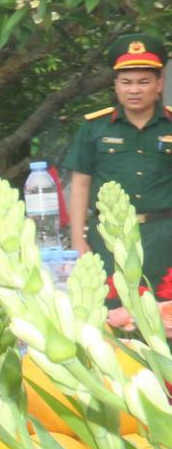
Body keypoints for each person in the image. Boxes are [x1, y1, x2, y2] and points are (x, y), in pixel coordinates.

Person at [66, 33, 172, 297]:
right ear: (115, 86)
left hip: (164, 236)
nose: (134, 90)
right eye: (126, 82)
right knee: (111, 311)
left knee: (164, 310)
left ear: (159, 84)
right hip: (108, 238)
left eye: (143, 82)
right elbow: (80, 183)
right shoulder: (94, 127)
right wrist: (77, 239)